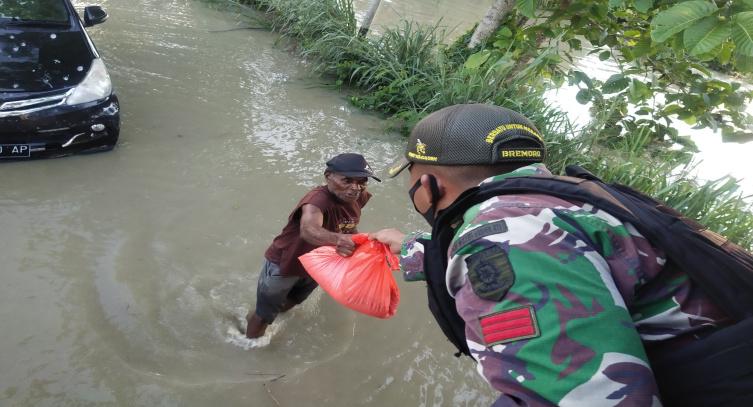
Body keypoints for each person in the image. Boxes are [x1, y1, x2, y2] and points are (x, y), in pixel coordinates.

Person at [370, 103, 745, 406]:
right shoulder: (569, 193)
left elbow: (586, 398)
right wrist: (410, 248)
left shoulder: (501, 236)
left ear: (429, 183)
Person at [246, 153, 380, 339]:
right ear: (328, 176)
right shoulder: (316, 201)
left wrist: (359, 246)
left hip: (318, 265)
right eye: (347, 180)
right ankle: (250, 345)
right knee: (263, 317)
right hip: (286, 263)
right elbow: (309, 230)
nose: (355, 188)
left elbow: (348, 222)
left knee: (293, 300)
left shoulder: (359, 196)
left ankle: (270, 311)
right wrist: (340, 240)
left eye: (362, 181)